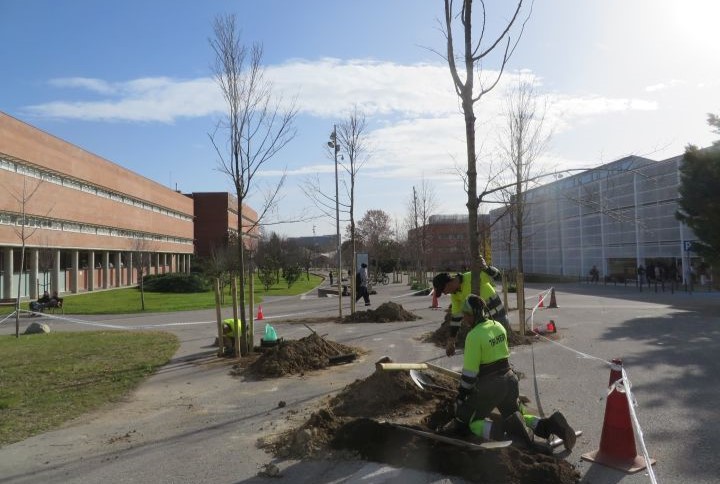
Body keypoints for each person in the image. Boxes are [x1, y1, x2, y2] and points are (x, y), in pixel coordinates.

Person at [445, 294, 577, 451]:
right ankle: (550, 425)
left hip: (491, 386)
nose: (465, 320)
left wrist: (461, 397)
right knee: (516, 416)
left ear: (472, 315)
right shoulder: (498, 326)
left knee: (468, 422)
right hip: (510, 380)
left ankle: (507, 436)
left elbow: (469, 374)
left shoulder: (473, 336)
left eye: (466, 315)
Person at [432, 256, 510, 356]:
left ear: (448, 283)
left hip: (498, 318)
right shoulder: (455, 295)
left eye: (443, 290)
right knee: (489, 352)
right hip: (484, 324)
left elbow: (498, 276)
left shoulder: (472, 277)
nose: (444, 293)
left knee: (499, 349)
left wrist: (486, 268)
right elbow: (456, 319)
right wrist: (451, 341)